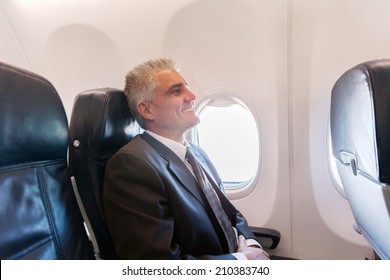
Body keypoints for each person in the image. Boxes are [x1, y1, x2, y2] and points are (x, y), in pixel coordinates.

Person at [103, 57, 270, 260]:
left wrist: (251, 245)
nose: (192, 96)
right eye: (176, 91)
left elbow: (230, 214)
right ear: (147, 110)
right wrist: (240, 261)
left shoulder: (196, 153)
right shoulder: (132, 166)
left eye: (187, 88)